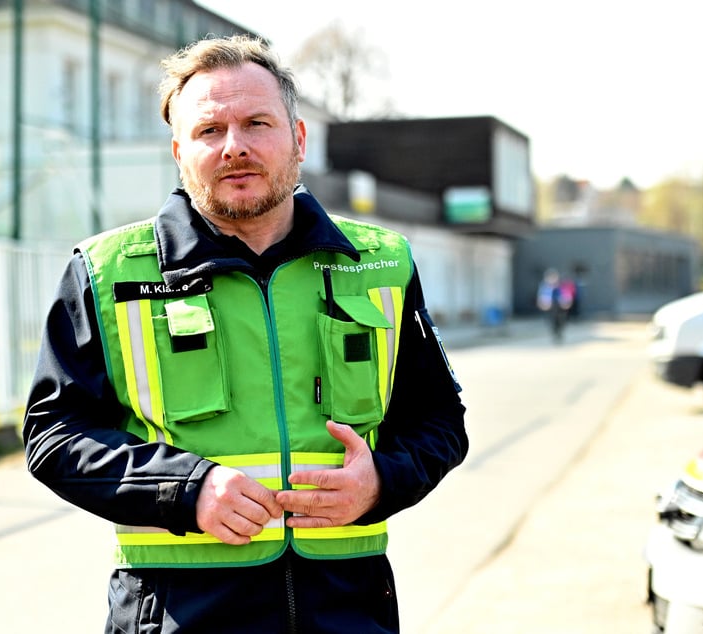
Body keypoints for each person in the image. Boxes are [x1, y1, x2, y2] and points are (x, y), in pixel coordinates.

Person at [23, 34, 468, 634]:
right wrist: (185, 489)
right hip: (178, 613)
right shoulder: (106, 273)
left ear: (298, 139)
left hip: (348, 608)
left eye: (258, 123)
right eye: (210, 131)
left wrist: (380, 481)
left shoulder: (382, 262)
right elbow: (53, 437)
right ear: (179, 150)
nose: (235, 146)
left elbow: (440, 420)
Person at [536, 268, 573, 342]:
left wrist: (567, 303)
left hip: (560, 305)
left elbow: (567, 295)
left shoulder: (561, 285)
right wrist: (542, 304)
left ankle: (560, 332)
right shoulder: (545, 286)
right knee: (552, 321)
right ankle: (555, 333)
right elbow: (541, 296)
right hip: (550, 306)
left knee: (562, 320)